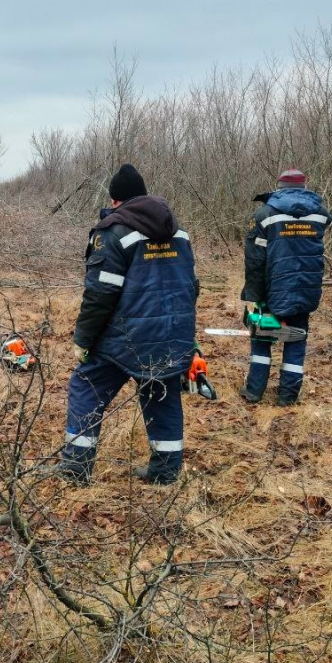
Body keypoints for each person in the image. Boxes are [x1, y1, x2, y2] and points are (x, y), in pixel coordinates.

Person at [57, 164, 198, 485]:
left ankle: (75, 470)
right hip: (172, 337)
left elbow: (100, 294)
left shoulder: (113, 233)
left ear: (115, 200)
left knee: (86, 387)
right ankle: (165, 474)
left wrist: (83, 340)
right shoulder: (180, 231)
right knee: (160, 394)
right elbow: (191, 287)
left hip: (127, 340)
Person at [240, 169, 332, 407]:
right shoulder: (321, 214)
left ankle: (254, 391)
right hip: (307, 288)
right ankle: (287, 396)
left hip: (273, 288)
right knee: (297, 338)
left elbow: (255, 260)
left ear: (278, 187)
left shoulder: (264, 214)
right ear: (304, 186)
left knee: (261, 336)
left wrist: (255, 295)